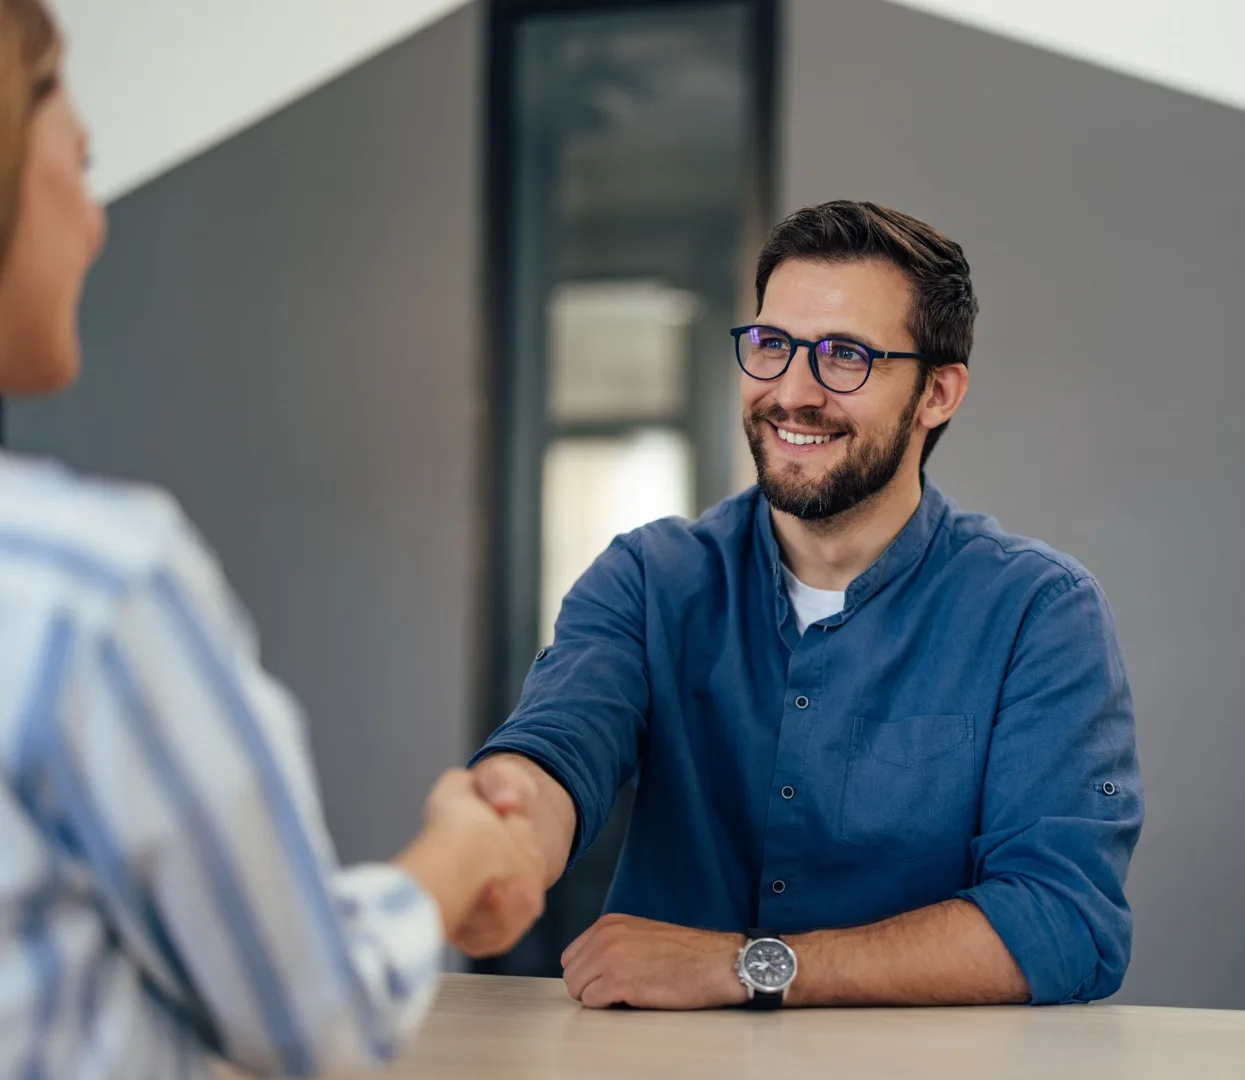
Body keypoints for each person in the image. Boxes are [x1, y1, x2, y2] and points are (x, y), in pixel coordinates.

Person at [0, 1, 543, 1074]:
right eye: (83, 162)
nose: (99, 220)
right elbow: (311, 1018)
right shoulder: (93, 588)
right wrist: (457, 855)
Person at [466, 200, 1144, 1009]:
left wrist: (747, 966)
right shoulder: (650, 578)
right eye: (772, 346)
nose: (793, 392)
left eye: (845, 356)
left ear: (937, 393)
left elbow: (1066, 925)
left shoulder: (1039, 612)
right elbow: (556, 749)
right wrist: (501, 834)